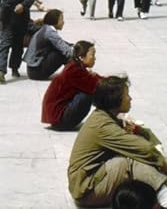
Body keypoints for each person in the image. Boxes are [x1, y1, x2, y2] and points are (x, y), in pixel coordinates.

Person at [68, 76, 167, 207]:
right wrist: (163, 163)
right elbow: (145, 149)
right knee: (131, 160)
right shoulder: (103, 126)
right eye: (127, 95)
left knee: (137, 155)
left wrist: (140, 131)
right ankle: (163, 193)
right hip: (87, 191)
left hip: (90, 182)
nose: (130, 99)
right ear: (115, 100)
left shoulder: (104, 116)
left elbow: (147, 143)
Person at [41, 40, 102, 131]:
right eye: (92, 55)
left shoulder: (75, 66)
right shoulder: (74, 70)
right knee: (89, 93)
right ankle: (108, 117)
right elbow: (96, 84)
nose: (95, 58)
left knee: (92, 89)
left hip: (58, 118)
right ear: (81, 57)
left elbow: (93, 79)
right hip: (60, 120)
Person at [23, 9, 73, 80]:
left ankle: (74, 72)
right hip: (36, 72)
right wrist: (79, 56)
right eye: (61, 20)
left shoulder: (46, 28)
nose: (63, 22)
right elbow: (66, 49)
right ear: (55, 21)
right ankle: (75, 73)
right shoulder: (50, 32)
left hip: (32, 70)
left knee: (61, 50)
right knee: (62, 54)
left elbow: (61, 42)